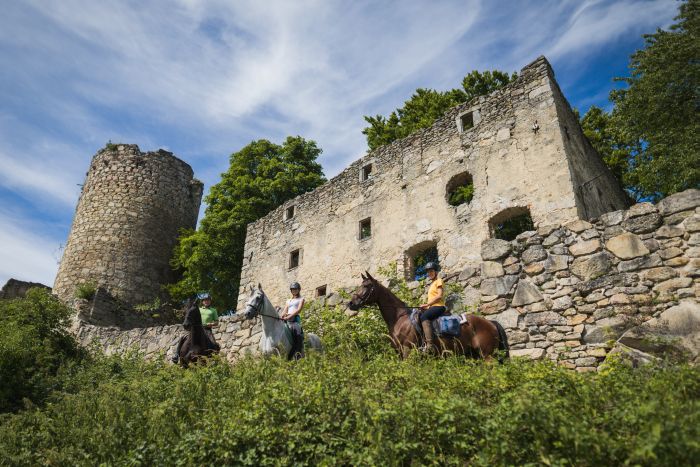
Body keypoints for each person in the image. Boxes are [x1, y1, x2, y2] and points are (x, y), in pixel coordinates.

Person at [171, 292, 219, 363]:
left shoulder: (213, 310)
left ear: (210, 301)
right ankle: (176, 355)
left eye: (208, 300)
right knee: (183, 337)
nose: (206, 301)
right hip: (195, 329)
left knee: (214, 343)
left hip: (207, 330)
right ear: (202, 301)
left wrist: (210, 324)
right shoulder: (198, 309)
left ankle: (214, 359)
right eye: (205, 300)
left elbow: (216, 322)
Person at [418, 262, 447, 353]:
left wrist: (427, 305)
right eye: (428, 272)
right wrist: (426, 307)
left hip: (439, 306)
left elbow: (439, 296)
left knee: (424, 317)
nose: (429, 273)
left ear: (436, 272)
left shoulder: (439, 281)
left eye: (431, 271)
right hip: (432, 307)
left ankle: (430, 345)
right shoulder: (432, 284)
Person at [280, 282, 305, 360]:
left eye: (295, 289)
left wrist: (290, 316)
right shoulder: (288, 300)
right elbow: (285, 310)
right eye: (292, 289)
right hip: (287, 319)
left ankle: (298, 354)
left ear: (298, 290)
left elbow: (298, 310)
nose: (294, 291)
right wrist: (281, 316)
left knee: (298, 334)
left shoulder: (301, 299)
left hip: (294, 320)